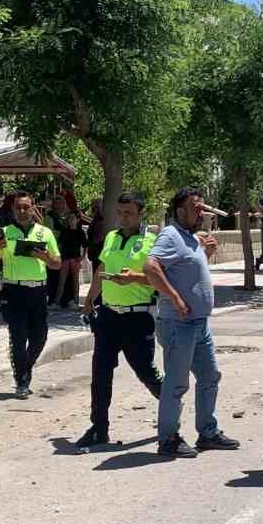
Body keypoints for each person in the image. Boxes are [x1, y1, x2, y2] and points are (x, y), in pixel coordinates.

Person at [144, 188, 240, 458]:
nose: (201, 211)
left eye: (201, 207)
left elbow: (187, 271)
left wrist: (205, 253)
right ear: (179, 211)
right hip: (178, 324)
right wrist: (174, 298)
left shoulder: (190, 238)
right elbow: (151, 267)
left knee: (209, 376)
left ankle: (208, 433)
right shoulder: (170, 235)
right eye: (195, 207)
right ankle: (168, 439)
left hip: (199, 324)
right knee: (176, 383)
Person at [76, 191, 163, 448]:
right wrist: (90, 299)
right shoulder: (112, 237)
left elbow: (160, 279)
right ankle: (98, 427)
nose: (124, 218)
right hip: (108, 316)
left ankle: (171, 409)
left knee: (145, 371)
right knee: (100, 373)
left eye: (129, 213)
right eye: (120, 212)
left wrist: (134, 276)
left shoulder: (153, 241)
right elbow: (101, 270)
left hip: (138, 318)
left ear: (140, 214)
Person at [0, 191, 62, 398]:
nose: (22, 211)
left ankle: (25, 367)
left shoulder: (44, 233)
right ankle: (22, 381)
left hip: (38, 290)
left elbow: (57, 264)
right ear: (12, 210)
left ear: (33, 208)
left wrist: (43, 256)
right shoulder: (5, 232)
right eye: (18, 207)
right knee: (18, 338)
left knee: (40, 337)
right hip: (14, 291)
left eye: (26, 207)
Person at [48, 196, 87, 309]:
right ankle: (56, 302)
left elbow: (85, 246)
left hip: (75, 258)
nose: (70, 220)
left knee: (75, 281)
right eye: (69, 218)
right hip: (65, 258)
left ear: (77, 220)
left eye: (72, 218)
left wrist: (82, 257)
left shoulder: (80, 232)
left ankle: (75, 302)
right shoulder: (65, 231)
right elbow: (59, 244)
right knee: (62, 281)